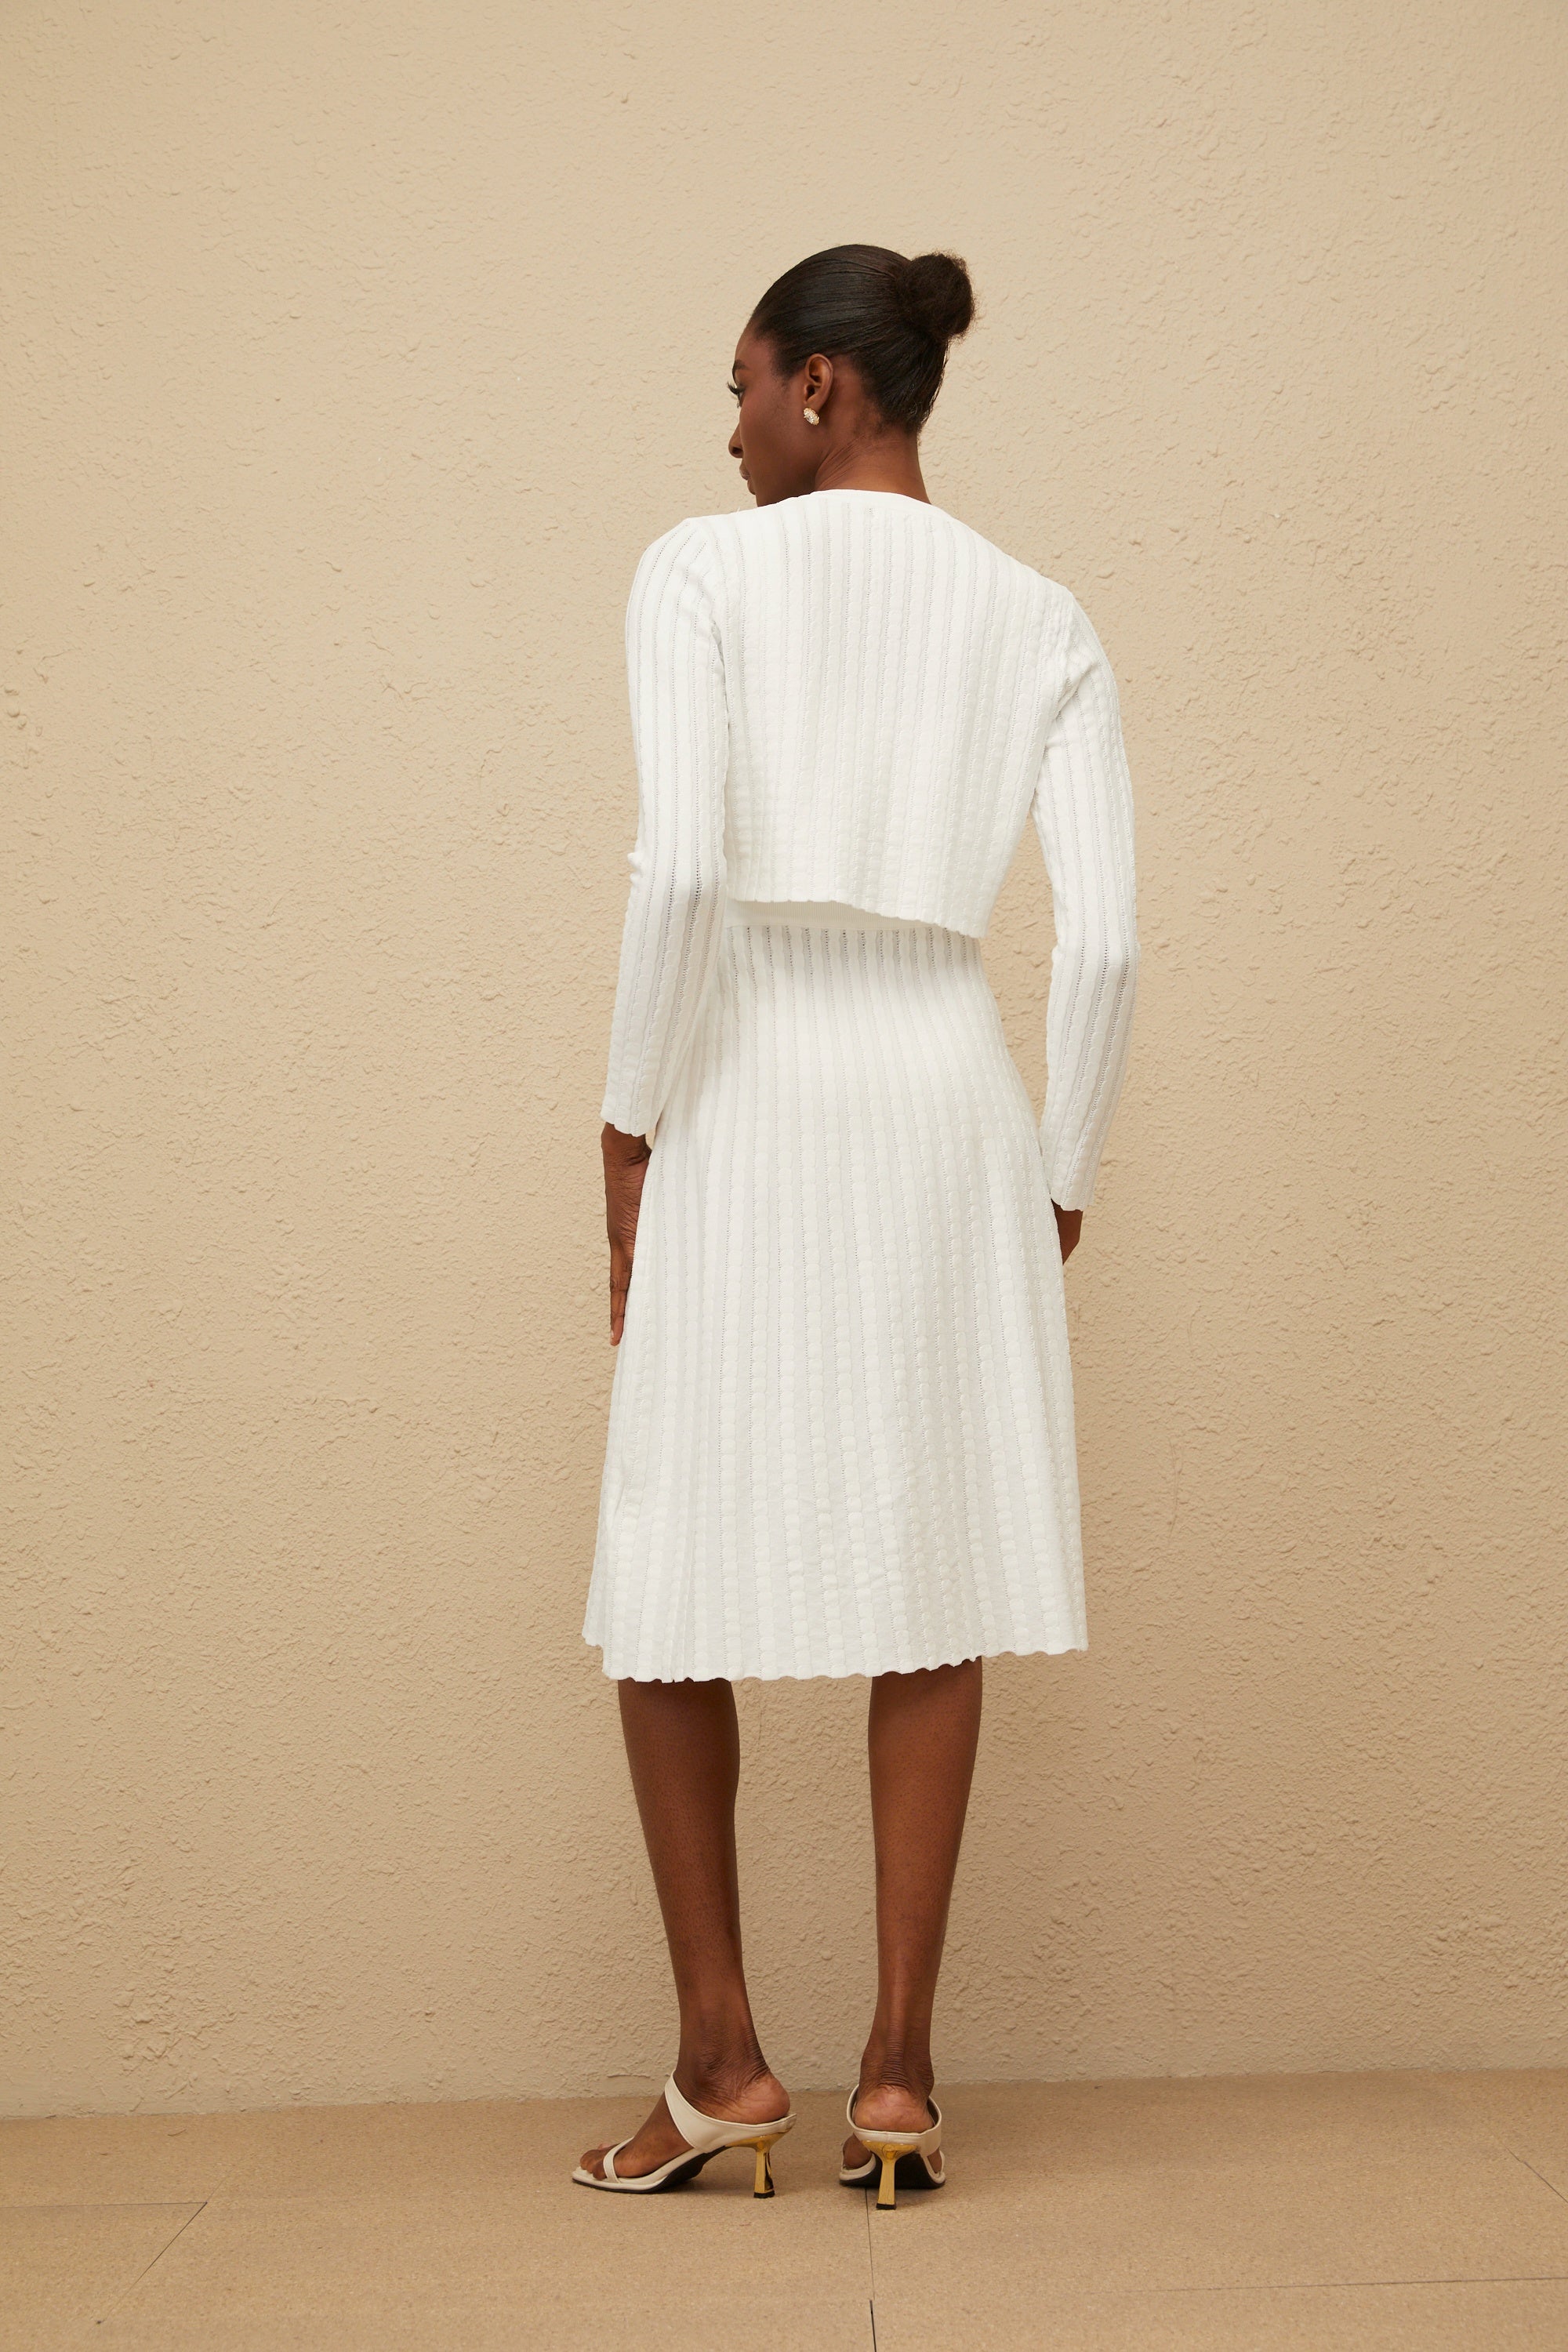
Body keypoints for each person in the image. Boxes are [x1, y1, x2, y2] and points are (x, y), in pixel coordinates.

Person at [576, 245, 1140, 2205]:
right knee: (935, 1559)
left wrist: (628, 1124)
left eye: (741, 388)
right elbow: (1108, 944)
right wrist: (1057, 1168)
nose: (729, 431)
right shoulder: (1040, 613)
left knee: (670, 1561)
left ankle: (721, 2062)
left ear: (820, 385)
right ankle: (895, 2076)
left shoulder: (700, 574)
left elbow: (680, 873)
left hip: (748, 1077)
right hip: (942, 1094)